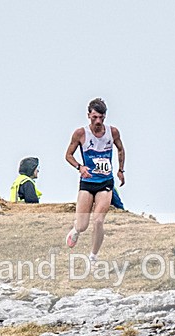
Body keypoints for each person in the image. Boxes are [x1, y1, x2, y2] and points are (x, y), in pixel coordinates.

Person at [64, 98, 126, 263]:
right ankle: (76, 230)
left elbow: (120, 149)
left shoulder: (112, 132)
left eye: (101, 117)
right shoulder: (81, 133)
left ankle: (93, 257)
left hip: (105, 182)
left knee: (98, 220)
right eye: (94, 117)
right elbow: (68, 155)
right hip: (87, 183)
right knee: (83, 225)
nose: (98, 121)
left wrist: (121, 170)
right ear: (88, 116)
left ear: (105, 116)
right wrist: (80, 167)